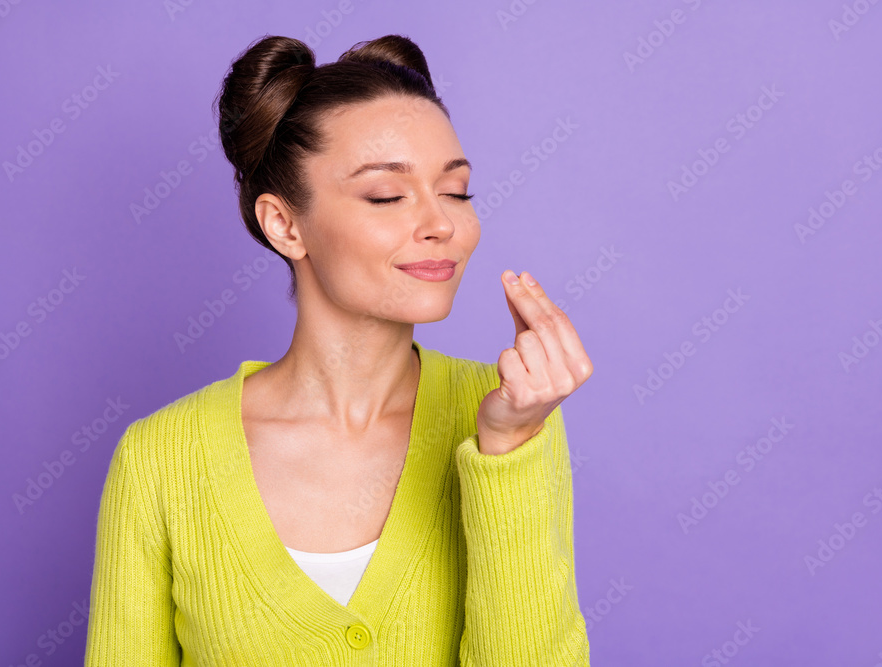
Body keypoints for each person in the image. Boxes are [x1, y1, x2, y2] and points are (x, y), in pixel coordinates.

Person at [84, 33, 593, 666]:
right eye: (387, 196)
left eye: (456, 191)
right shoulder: (160, 459)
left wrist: (510, 447)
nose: (442, 223)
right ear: (284, 225)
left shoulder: (511, 414)